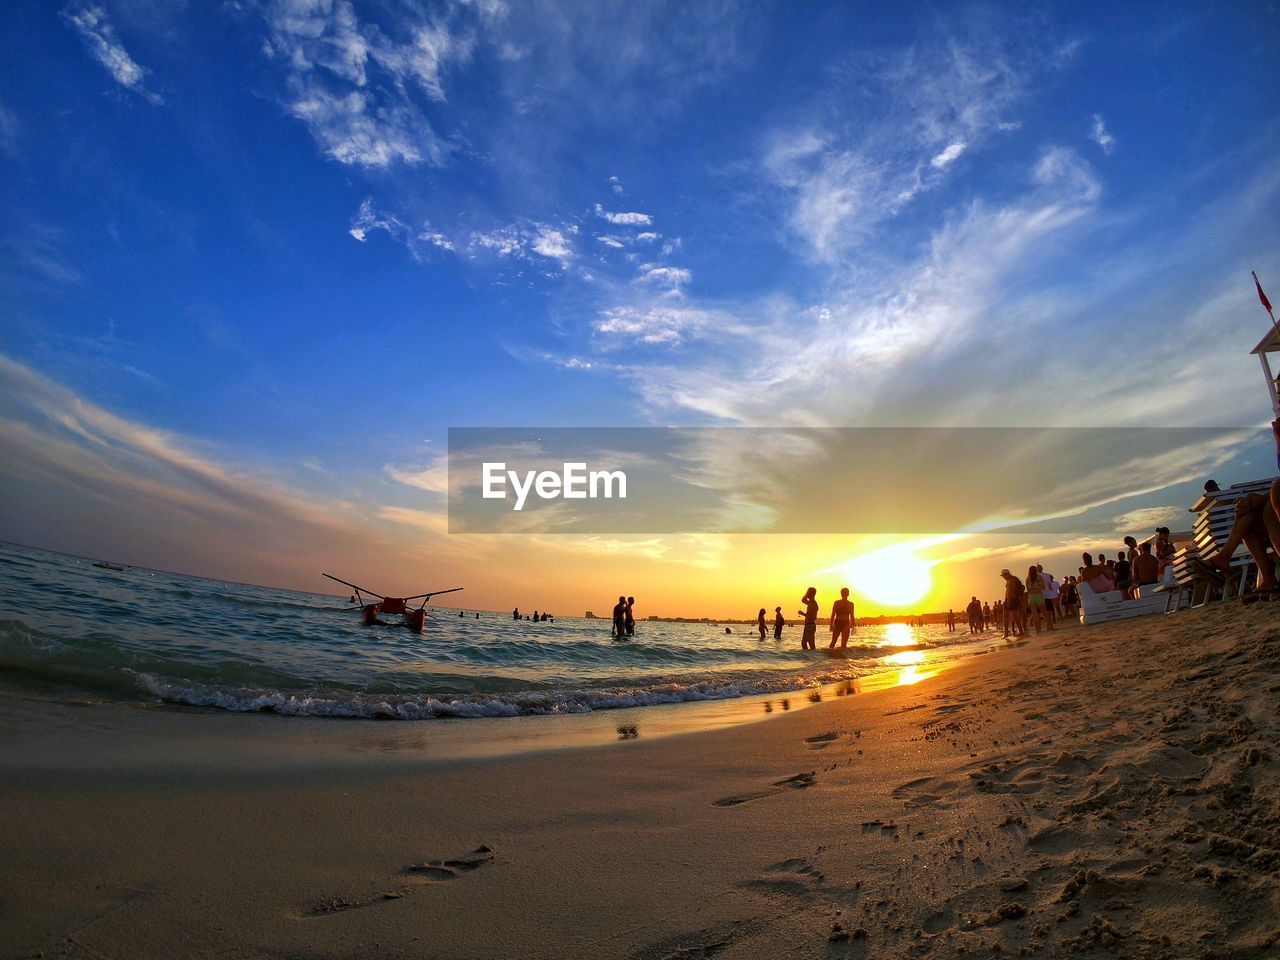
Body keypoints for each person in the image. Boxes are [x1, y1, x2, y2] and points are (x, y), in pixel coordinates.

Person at [1000, 569, 1025, 638]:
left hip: (1012, 599)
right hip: (1012, 599)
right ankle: (1020, 631)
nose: (1003, 577)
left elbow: (1010, 591)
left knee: (1007, 615)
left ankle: (1006, 633)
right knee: (1014, 615)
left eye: (1004, 575)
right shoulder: (1012, 579)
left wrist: (1008, 601)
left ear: (1007, 574)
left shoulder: (1011, 580)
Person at [1025, 565, 1048, 634]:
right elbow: (1043, 587)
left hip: (1031, 597)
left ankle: (1038, 630)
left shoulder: (1027, 579)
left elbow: (1028, 589)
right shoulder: (1039, 577)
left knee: (1034, 614)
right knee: (1044, 612)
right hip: (1038, 595)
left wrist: (1032, 588)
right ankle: (1049, 626)